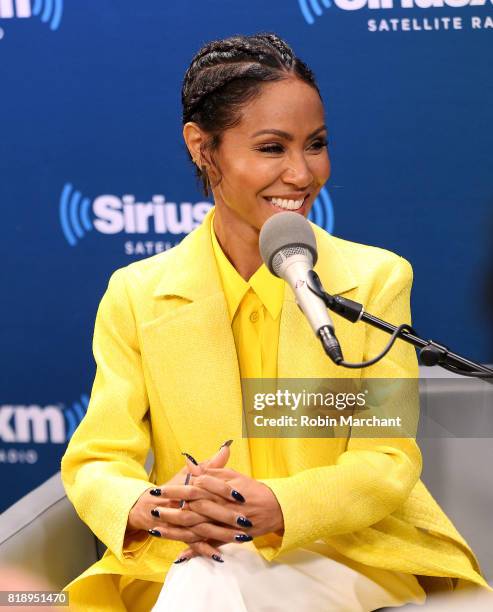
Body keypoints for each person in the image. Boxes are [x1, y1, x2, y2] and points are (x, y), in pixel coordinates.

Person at [60, 33, 490, 611]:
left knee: (211, 584)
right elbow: (98, 459)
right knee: (210, 575)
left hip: (343, 553)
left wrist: (277, 507)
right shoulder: (137, 294)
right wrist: (150, 506)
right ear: (201, 147)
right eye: (271, 147)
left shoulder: (374, 281)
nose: (301, 173)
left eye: (315, 145)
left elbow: (386, 460)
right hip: (189, 555)